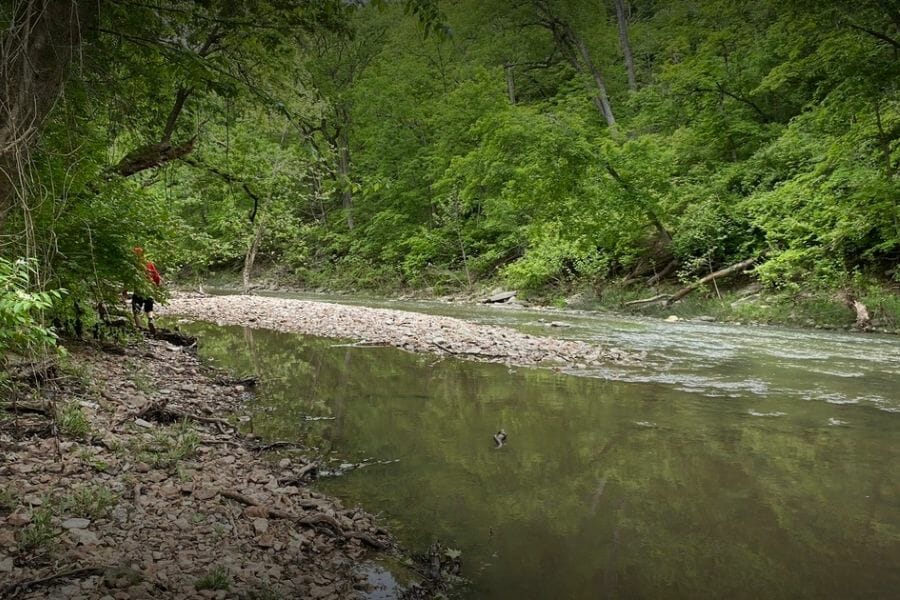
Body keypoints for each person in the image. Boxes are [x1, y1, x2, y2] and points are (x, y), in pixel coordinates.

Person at [129, 246, 162, 333]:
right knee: (149, 308)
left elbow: (129, 278)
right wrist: (156, 287)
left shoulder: (134, 265)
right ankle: (150, 319)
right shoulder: (149, 263)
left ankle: (139, 328)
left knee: (136, 310)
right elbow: (156, 276)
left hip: (139, 290)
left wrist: (125, 290)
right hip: (149, 288)